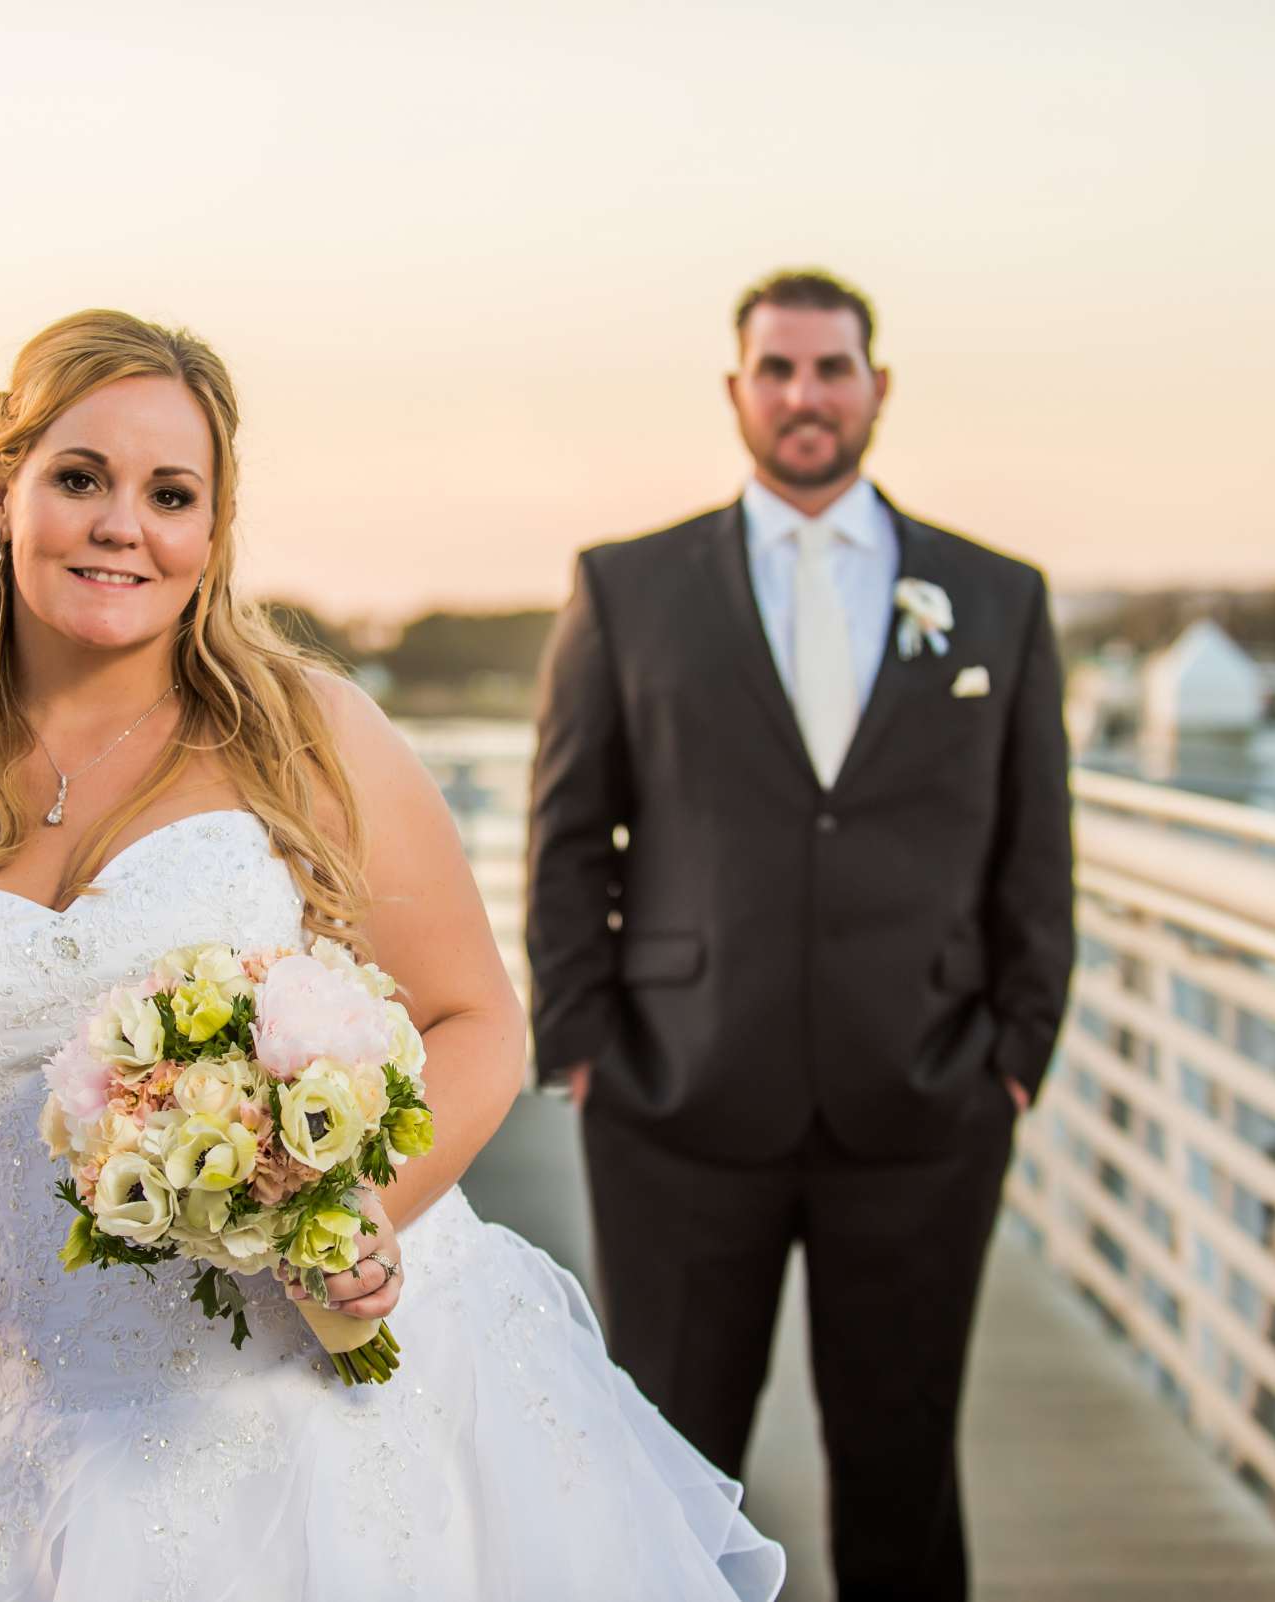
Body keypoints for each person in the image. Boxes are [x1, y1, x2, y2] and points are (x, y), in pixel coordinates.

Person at [0, 309, 783, 1600]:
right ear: (3, 496)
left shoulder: (307, 735)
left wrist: (355, 1209)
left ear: (210, 534)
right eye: (80, 478)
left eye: (170, 493)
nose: (122, 523)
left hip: (335, 1420)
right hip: (44, 1441)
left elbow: (479, 1019)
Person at [526, 269, 1075, 1601]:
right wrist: (584, 1047)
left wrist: (1013, 1057)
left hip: (926, 1104)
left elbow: (1035, 848)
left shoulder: (995, 595)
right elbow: (565, 829)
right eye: (778, 370)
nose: (805, 396)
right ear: (737, 393)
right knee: (670, 1471)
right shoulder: (630, 587)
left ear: (877, 387)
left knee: (902, 1469)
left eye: (832, 368)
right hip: (676, 1105)